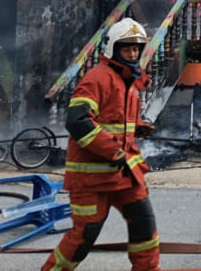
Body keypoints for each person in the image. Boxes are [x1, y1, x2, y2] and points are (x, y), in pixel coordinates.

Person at [42, 18, 160, 271]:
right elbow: (78, 121)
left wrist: (138, 125)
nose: (132, 53)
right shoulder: (97, 79)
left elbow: (112, 118)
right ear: (113, 49)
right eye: (127, 48)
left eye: (136, 49)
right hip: (91, 179)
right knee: (83, 237)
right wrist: (112, 150)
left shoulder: (129, 82)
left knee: (144, 226)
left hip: (124, 174)